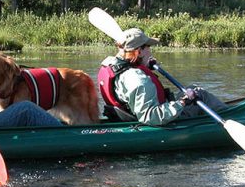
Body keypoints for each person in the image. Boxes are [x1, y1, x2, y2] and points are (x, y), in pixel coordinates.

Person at [98, 27, 228, 125]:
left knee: (192, 88)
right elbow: (151, 116)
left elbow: (126, 68)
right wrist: (183, 102)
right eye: (148, 46)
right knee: (199, 93)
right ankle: (232, 117)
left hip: (130, 113)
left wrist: (143, 64)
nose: (150, 50)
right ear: (139, 51)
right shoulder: (139, 80)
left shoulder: (111, 64)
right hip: (160, 120)